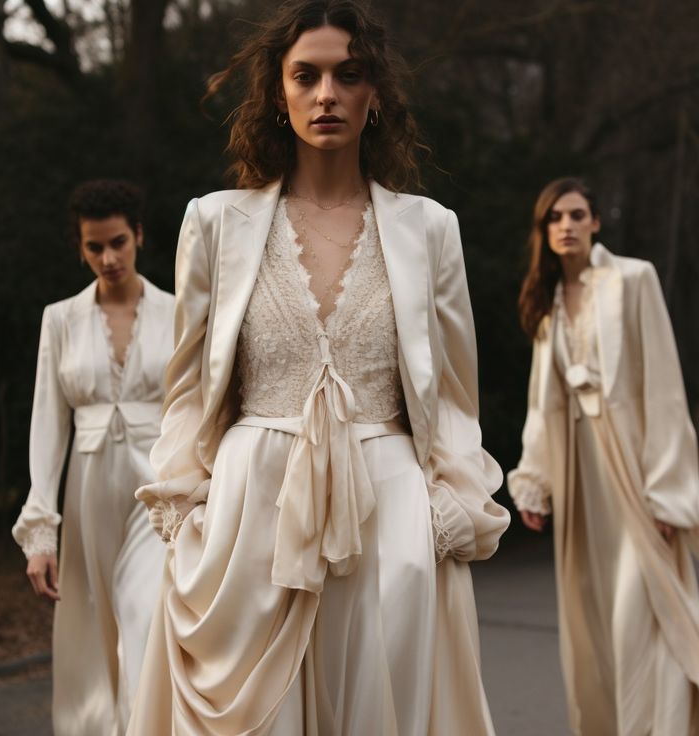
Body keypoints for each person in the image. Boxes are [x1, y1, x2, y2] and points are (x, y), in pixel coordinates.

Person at [128, 2, 510, 734]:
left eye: (349, 74)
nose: (327, 93)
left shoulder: (430, 230)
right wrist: (188, 512)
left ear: (376, 95)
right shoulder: (214, 223)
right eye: (306, 75)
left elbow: (456, 396)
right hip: (248, 512)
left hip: (391, 512)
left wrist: (449, 509)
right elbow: (187, 391)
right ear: (278, 92)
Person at [508, 176, 699, 735]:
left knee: (641, 607)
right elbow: (542, 405)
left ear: (596, 222)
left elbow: (664, 387)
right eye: (554, 219)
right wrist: (535, 482)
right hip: (577, 468)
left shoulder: (633, 280)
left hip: (633, 465)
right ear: (544, 232)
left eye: (576, 215)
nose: (566, 226)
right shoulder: (546, 305)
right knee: (592, 616)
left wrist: (668, 490)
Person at [12, 179, 175, 736]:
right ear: (80, 248)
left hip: (158, 494)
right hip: (87, 496)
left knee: (146, 613)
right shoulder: (60, 320)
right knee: (89, 630)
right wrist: (41, 530)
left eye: (118, 243)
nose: (108, 258)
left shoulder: (179, 314)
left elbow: (197, 415)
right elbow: (46, 426)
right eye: (94, 247)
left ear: (139, 237)